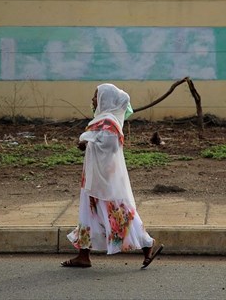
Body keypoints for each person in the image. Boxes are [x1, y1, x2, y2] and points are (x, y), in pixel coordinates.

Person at [61, 83, 164, 269]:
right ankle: (83, 255)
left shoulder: (109, 122)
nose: (93, 99)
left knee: (120, 213)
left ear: (105, 99)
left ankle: (147, 243)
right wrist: (88, 140)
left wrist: (87, 142)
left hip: (105, 179)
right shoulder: (104, 119)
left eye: (96, 95)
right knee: (89, 214)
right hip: (94, 177)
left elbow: (109, 146)